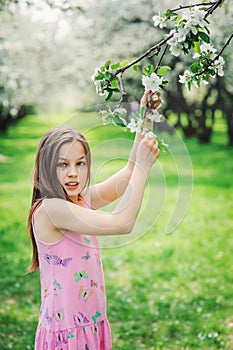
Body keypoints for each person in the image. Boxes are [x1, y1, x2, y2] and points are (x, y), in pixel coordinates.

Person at [28, 90, 161, 350]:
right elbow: (123, 222)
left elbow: (127, 174)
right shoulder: (52, 209)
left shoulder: (77, 199)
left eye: (80, 163)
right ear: (45, 168)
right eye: (62, 165)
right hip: (69, 335)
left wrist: (147, 116)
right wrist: (145, 168)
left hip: (91, 322)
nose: (73, 173)